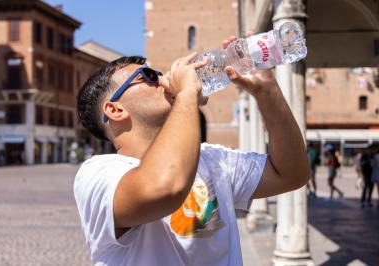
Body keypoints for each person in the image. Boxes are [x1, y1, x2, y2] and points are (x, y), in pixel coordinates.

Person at [73, 36, 309, 266]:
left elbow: (290, 174)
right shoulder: (98, 174)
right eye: (147, 76)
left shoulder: (211, 158)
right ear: (115, 110)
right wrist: (186, 94)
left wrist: (267, 92)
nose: (162, 79)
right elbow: (165, 186)